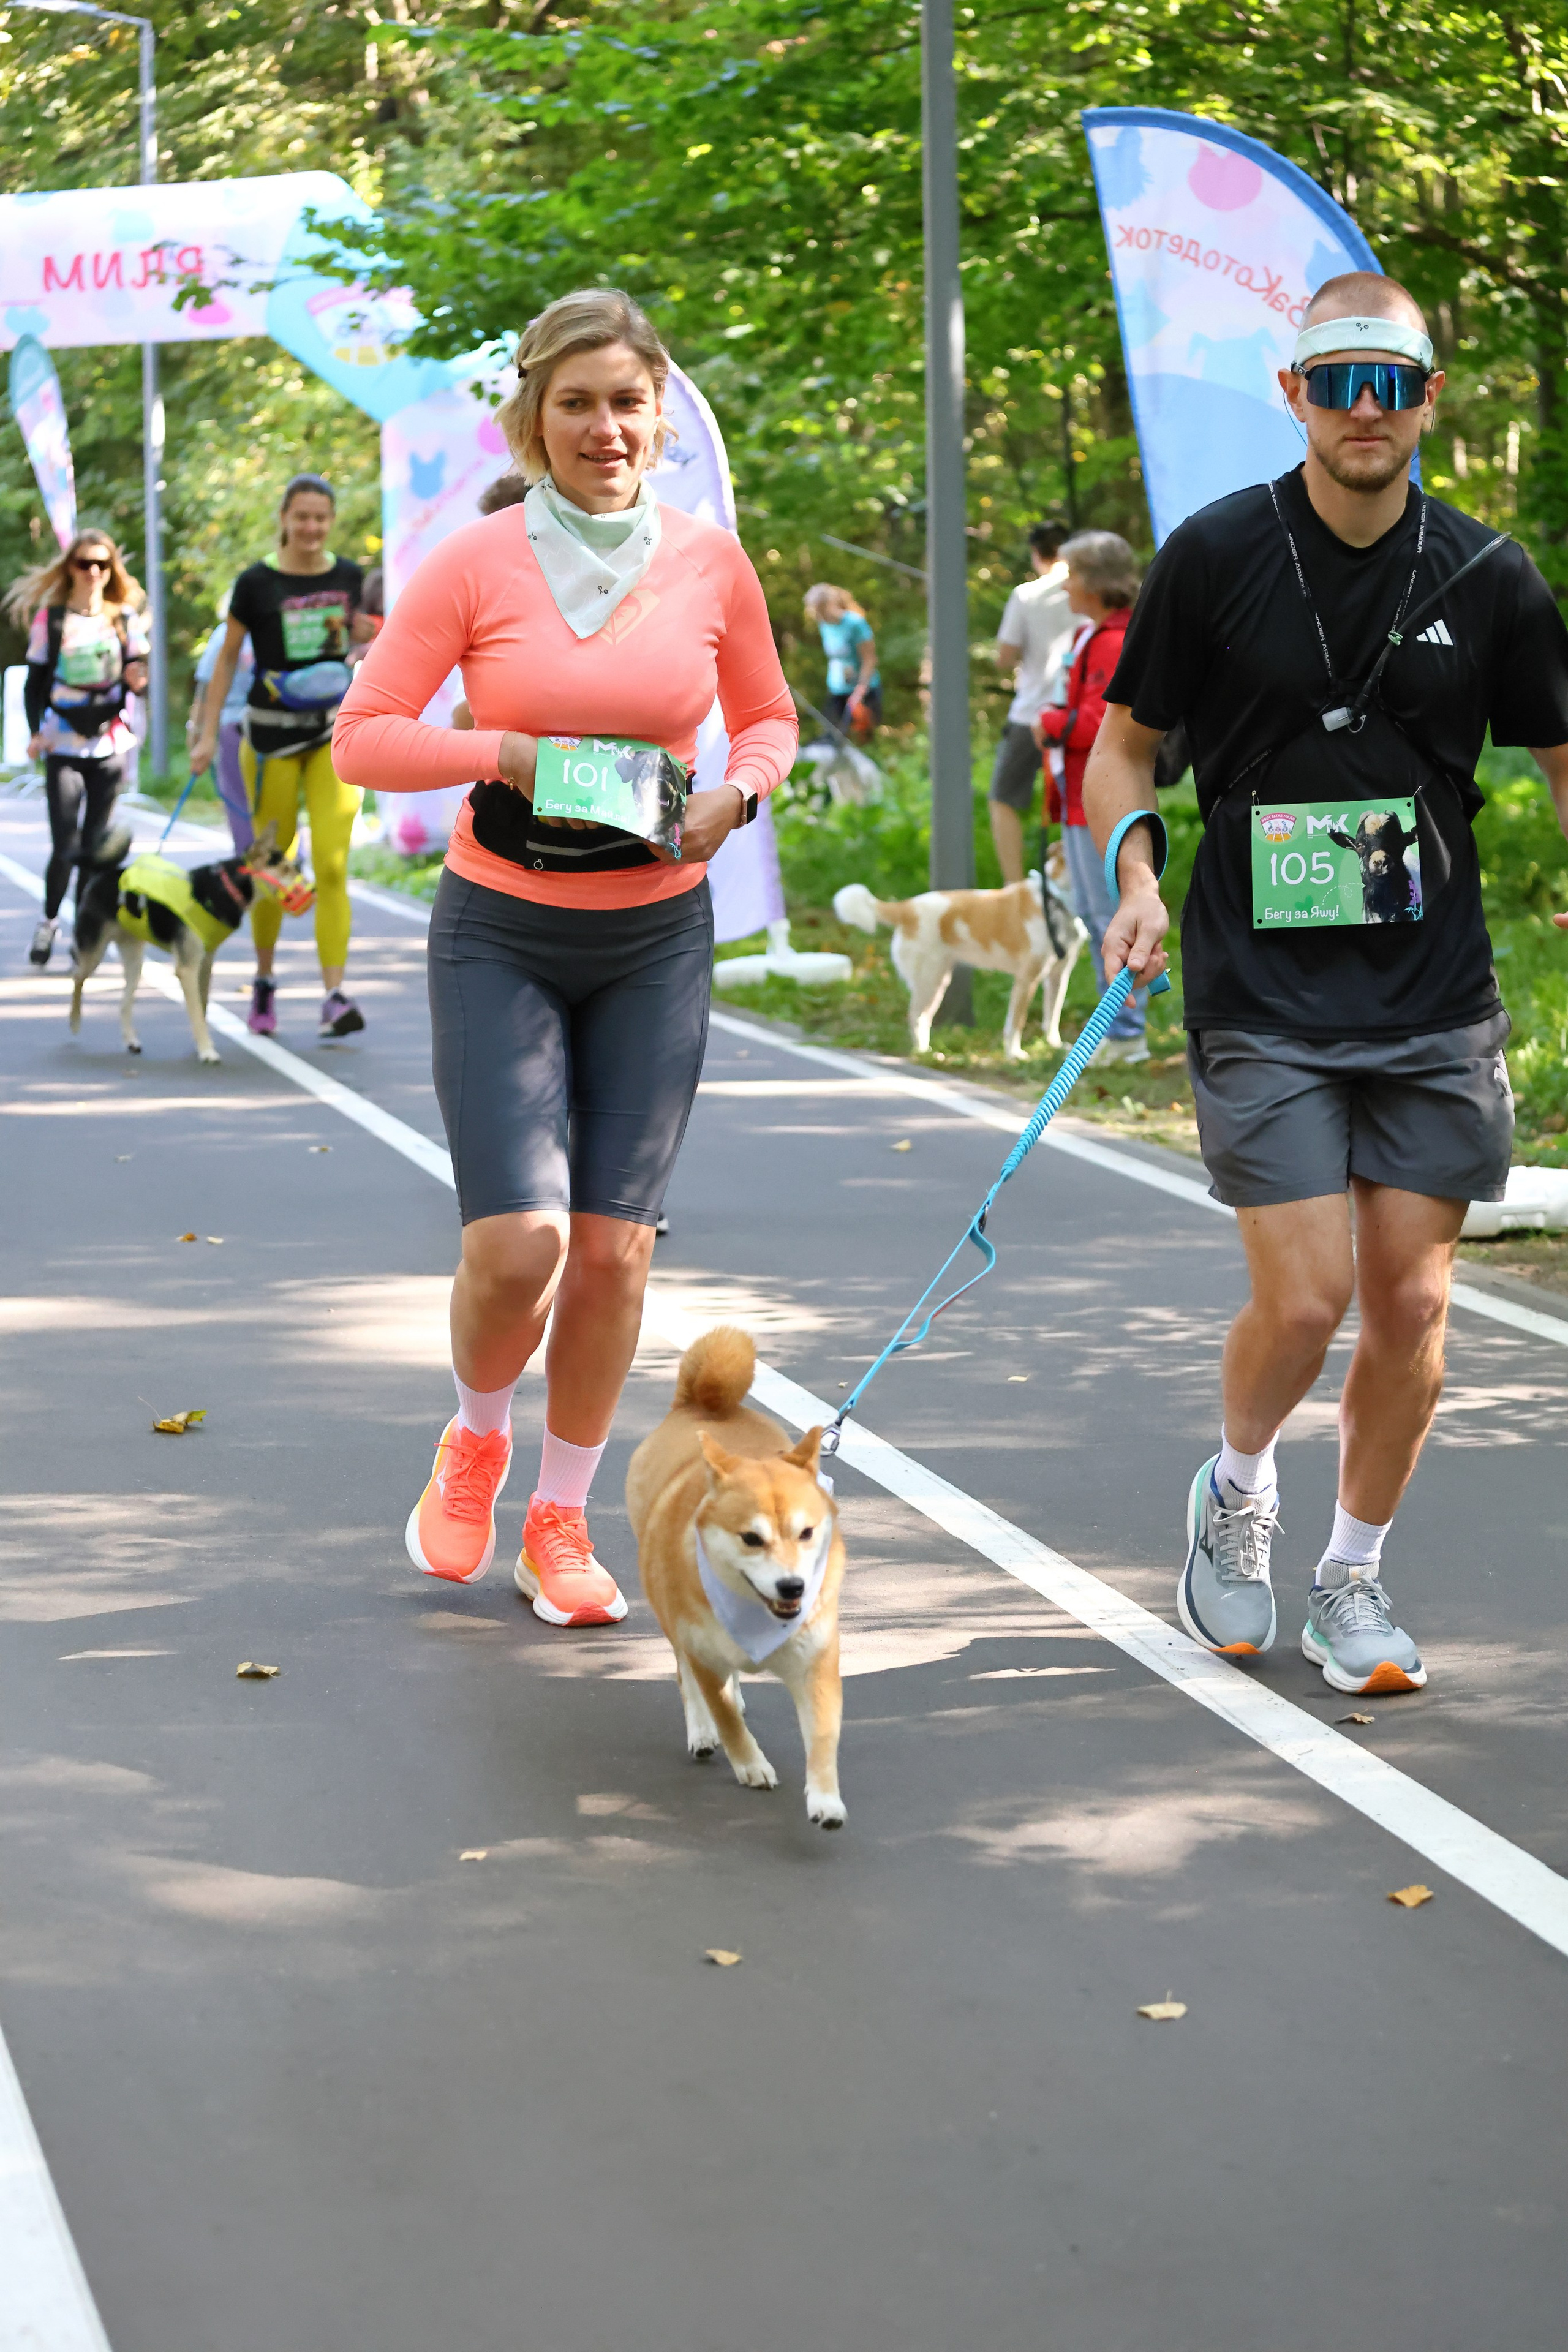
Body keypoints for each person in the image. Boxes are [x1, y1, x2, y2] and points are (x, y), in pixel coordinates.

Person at [1085, 271, 1568, 1695]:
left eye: (1392, 382)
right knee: (1302, 1302)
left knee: (1410, 1307)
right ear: (1291, 393)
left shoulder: (1489, 576)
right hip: (1256, 985)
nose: (1365, 409)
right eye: (1336, 380)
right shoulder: (1214, 551)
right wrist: (1129, 877)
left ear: (1426, 397)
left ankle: (1350, 1575)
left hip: (1430, 992)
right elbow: (1124, 745)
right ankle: (1236, 1490)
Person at [333, 287, 796, 1627]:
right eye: (576, 402)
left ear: (660, 417)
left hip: (654, 932)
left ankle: (560, 1519)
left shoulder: (709, 562)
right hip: (504, 929)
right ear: (534, 418)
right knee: (522, 1244)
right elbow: (366, 736)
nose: (604, 426)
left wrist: (738, 793)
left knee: (613, 1256)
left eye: (627, 402)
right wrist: (510, 752)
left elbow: (762, 718)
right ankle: (476, 1436)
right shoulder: (476, 563)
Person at [188, 473, 366, 1041]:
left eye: (321, 518)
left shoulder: (350, 578)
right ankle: (264, 981)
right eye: (302, 517)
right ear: (285, 519)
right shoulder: (256, 583)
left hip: (334, 738)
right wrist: (205, 733)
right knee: (274, 864)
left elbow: (370, 644)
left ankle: (335, 996)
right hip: (268, 743)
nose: (312, 528)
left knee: (334, 867)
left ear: (331, 521)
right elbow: (224, 664)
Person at [7, 528, 149, 968]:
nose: (93, 572)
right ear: (70, 568)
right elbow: (35, 685)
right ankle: (49, 921)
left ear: (111, 571)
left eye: (102, 564)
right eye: (84, 563)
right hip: (63, 743)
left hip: (108, 743)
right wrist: (34, 732)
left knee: (94, 845)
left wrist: (138, 684)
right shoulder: (51, 620)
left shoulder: (123, 618)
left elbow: (138, 680)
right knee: (65, 842)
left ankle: (84, 934)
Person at [1038, 532, 1148, 1065]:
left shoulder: (1111, 641)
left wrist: (1050, 723)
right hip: (1079, 797)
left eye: (1074, 576)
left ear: (1098, 582)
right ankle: (1119, 1025)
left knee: (1109, 918)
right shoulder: (1096, 635)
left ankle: (1128, 1033)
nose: (1066, 588)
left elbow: (1101, 720)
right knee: (1093, 913)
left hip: (1099, 801)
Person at [990, 521, 1074, 882]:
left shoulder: (1025, 595)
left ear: (1037, 555)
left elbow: (1005, 657)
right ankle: (1075, 876)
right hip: (1081, 712)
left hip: (1031, 714)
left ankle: (1014, 884)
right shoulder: (1090, 591)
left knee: (1003, 797)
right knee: (1079, 803)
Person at [189, 598, 255, 850]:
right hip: (244, 726)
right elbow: (206, 689)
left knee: (241, 802)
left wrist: (196, 731)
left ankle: (251, 863)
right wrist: (198, 731)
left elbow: (204, 690)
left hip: (238, 727)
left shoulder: (223, 635)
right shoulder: (224, 636)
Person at [804, 583, 880, 738]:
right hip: (838, 688)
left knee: (863, 737)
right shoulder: (823, 625)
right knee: (832, 735)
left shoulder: (855, 623)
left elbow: (870, 658)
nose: (818, 614)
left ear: (830, 604)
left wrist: (861, 689)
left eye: (821, 609)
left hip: (861, 691)